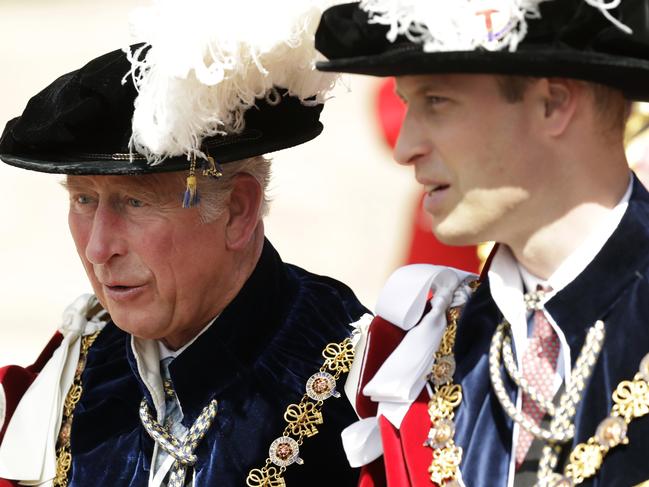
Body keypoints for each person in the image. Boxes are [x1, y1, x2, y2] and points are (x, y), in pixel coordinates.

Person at [0, 2, 370, 486]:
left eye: (134, 202)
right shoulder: (69, 371)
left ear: (238, 211)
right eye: (84, 199)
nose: (97, 248)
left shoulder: (360, 388)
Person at [314, 1, 649, 486]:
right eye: (409, 105)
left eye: (437, 102)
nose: (405, 147)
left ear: (552, 103)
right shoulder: (427, 356)